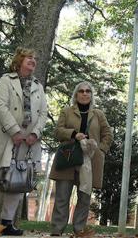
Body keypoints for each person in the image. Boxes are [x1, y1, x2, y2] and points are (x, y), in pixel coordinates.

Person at [0, 48, 48, 236]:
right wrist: (14, 131)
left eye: (35, 58)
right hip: (5, 137)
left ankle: (7, 223)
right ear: (19, 60)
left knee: (19, 181)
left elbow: (43, 113)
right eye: (29, 57)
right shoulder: (6, 80)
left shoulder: (38, 85)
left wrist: (35, 133)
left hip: (28, 142)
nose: (33, 60)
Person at [49, 81, 113, 237]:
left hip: (89, 161)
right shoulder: (66, 111)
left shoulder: (98, 114)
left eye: (88, 91)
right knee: (62, 196)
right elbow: (57, 131)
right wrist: (73, 134)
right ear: (76, 94)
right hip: (68, 158)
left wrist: (101, 150)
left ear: (91, 95)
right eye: (81, 91)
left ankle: (79, 230)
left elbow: (108, 134)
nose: (85, 93)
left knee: (84, 197)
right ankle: (57, 230)